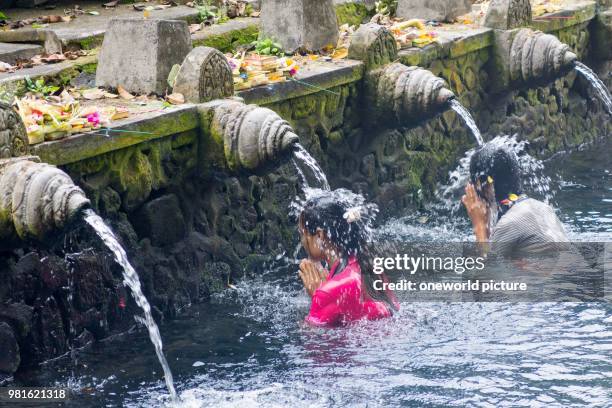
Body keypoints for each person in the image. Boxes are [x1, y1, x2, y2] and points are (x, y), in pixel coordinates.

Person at [297, 189, 399, 327]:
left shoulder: (327, 292)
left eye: (303, 234)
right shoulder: (367, 262)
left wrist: (318, 297)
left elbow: (313, 341)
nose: (302, 241)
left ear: (320, 236)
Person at [461, 143, 569, 257]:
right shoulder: (544, 208)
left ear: (486, 184)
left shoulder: (508, 224)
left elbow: (485, 272)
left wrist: (480, 227)